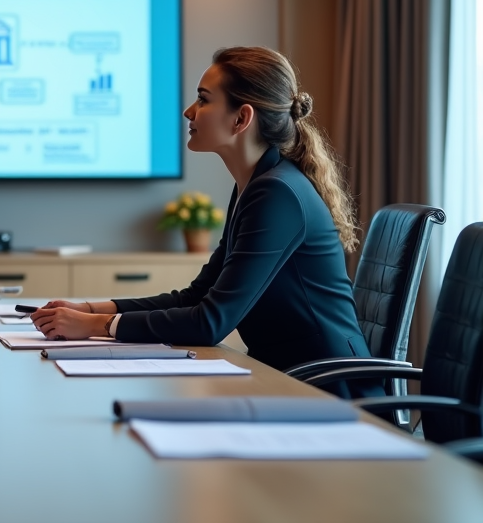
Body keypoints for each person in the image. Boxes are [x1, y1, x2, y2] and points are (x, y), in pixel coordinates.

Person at [32, 46, 377, 388]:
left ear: (241, 118)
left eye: (203, 99)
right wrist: (92, 310)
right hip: (286, 381)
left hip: (329, 392)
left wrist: (95, 327)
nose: (188, 112)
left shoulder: (277, 194)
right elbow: (195, 297)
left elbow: (210, 322)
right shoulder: (256, 186)